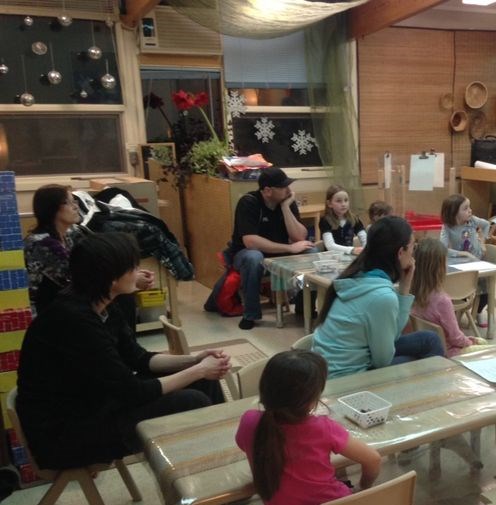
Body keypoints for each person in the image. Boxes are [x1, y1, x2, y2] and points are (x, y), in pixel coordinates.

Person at [16, 232, 230, 471]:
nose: (137, 271)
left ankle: (227, 465)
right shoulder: (73, 319)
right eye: (131, 267)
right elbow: (133, 392)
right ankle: (204, 479)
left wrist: (194, 361)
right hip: (64, 433)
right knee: (192, 400)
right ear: (109, 277)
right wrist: (198, 370)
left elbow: (139, 359)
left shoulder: (102, 303)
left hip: (97, 405)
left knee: (202, 382)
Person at [235, 350, 381, 505]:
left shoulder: (250, 422)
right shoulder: (324, 428)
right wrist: (363, 487)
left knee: (330, 491)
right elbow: (373, 460)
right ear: (312, 400)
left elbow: (245, 444)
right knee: (377, 500)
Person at [312, 216, 445, 378]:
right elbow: (382, 360)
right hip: (347, 378)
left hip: (328, 367)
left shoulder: (357, 274)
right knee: (423, 364)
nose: (413, 254)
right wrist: (402, 292)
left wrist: (404, 289)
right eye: (413, 248)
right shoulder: (382, 297)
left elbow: (391, 336)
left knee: (429, 339)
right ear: (400, 252)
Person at [23, 184, 154, 318]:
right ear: (52, 209)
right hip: (50, 306)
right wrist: (127, 279)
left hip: (71, 296)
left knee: (121, 297)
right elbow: (78, 278)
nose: (75, 206)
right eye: (68, 203)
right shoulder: (40, 244)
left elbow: (99, 256)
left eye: (74, 201)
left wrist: (128, 274)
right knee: (118, 298)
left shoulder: (72, 233)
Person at [225, 167, 315, 330]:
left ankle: (304, 307)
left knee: (312, 251)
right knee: (254, 257)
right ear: (267, 191)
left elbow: (299, 237)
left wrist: (286, 208)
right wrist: (289, 248)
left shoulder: (287, 201)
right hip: (245, 254)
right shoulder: (249, 202)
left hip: (279, 253)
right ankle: (250, 314)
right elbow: (250, 241)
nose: (289, 190)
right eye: (283, 187)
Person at [411, 238, 481, 357]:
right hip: (449, 353)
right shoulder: (442, 301)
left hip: (427, 351)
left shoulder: (411, 294)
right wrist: (469, 342)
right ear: (440, 268)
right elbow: (456, 339)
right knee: (492, 349)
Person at [439, 193, 490, 325]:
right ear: (454, 212)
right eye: (465, 208)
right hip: (461, 265)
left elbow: (486, 225)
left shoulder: (472, 220)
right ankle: (455, 313)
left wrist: (483, 241)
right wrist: (463, 254)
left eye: (469, 207)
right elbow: (442, 248)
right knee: (454, 287)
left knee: (487, 289)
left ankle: (478, 312)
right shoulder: (447, 227)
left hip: (478, 263)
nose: (470, 210)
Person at [319, 185, 366, 255]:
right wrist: (352, 250)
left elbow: (364, 238)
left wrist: (367, 249)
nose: (343, 204)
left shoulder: (354, 219)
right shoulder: (325, 221)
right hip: (332, 258)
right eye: (339, 201)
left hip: (349, 257)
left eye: (346, 200)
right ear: (329, 204)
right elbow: (330, 246)